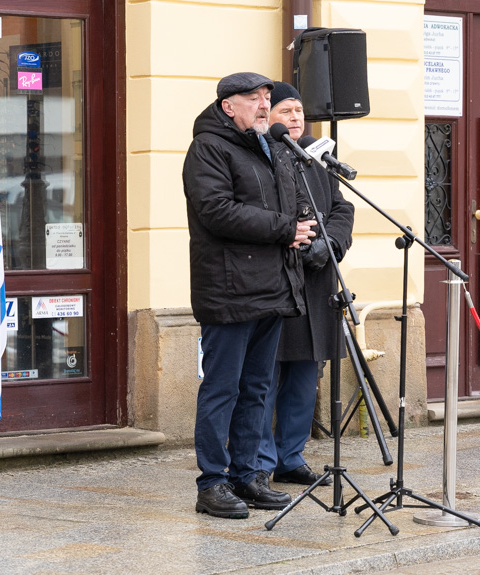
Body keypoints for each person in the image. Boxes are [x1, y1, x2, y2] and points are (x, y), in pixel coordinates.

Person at [183, 72, 317, 518]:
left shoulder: (274, 146)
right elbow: (216, 211)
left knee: (257, 388)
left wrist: (301, 226)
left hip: (273, 286)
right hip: (228, 291)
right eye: (253, 98)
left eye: (266, 97)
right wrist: (286, 229)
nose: (264, 105)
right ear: (228, 106)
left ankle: (248, 476)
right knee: (223, 388)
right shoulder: (208, 149)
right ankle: (212, 483)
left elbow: (295, 201)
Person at [258, 82, 354, 485]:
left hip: (317, 282)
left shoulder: (318, 159)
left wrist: (330, 241)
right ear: (270, 120)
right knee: (266, 377)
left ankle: (290, 456)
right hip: (277, 278)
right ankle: (259, 461)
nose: (296, 118)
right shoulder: (260, 157)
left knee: (304, 375)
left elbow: (341, 207)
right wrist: (299, 247)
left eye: (299, 111)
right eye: (286, 111)